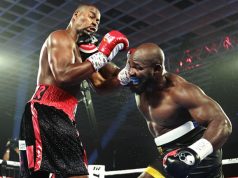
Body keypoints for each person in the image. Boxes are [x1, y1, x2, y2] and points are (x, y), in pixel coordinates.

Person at [19, 3, 129, 178]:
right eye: (92, 16)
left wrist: (126, 75)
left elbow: (100, 85)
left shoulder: (82, 52)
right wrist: (101, 55)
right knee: (75, 174)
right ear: (76, 15)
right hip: (47, 111)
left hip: (62, 115)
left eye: (98, 21)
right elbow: (62, 75)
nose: (95, 22)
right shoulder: (60, 37)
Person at [115, 43, 232, 178]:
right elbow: (100, 81)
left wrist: (193, 154)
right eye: (130, 66)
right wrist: (101, 52)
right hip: (167, 151)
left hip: (196, 151)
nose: (130, 72)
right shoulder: (138, 80)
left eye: (138, 68)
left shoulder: (181, 91)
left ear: (157, 70)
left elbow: (222, 123)